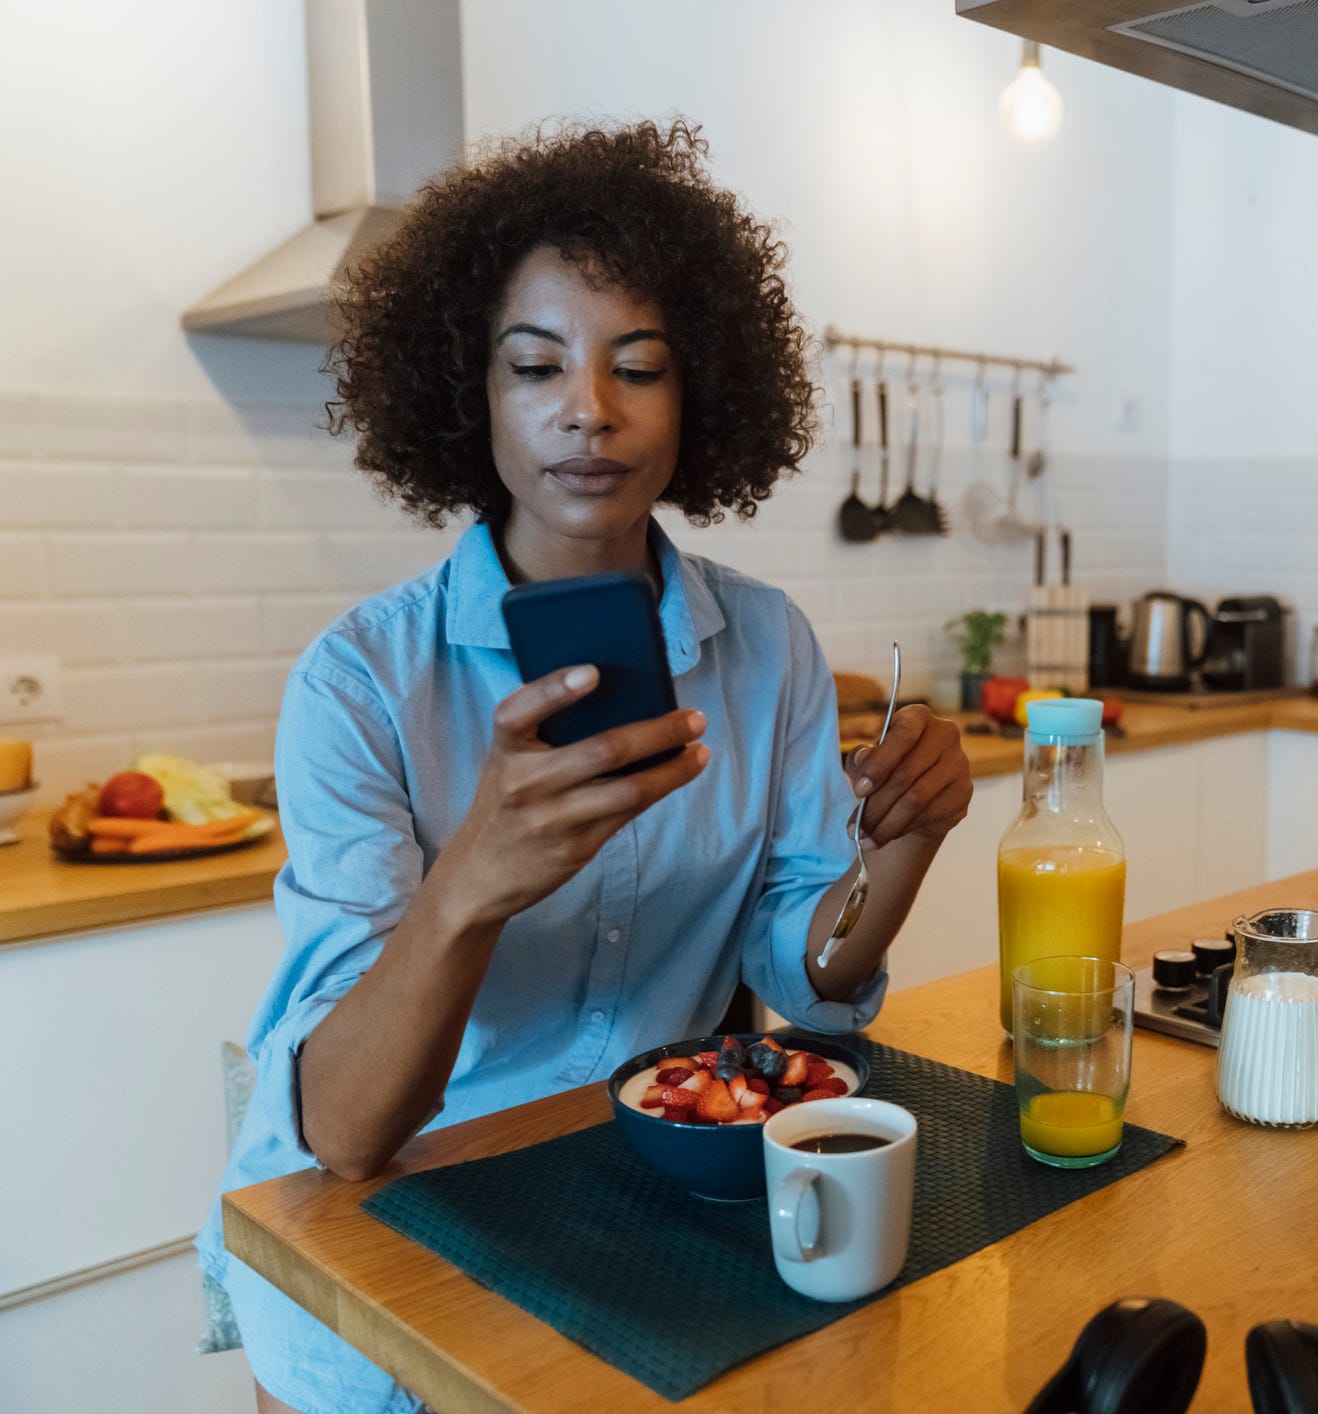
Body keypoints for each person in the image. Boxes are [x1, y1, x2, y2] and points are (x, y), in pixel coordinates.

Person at [198, 120, 974, 1414]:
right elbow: (341, 1130)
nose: (589, 410)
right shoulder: (360, 682)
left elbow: (817, 989)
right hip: (376, 1266)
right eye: (535, 364)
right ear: (467, 390)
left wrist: (898, 848)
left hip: (633, 1228)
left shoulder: (766, 640)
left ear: (699, 394)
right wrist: (467, 888)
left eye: (640, 365)